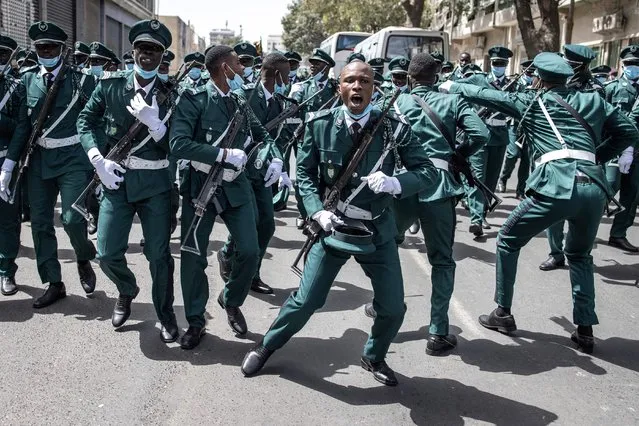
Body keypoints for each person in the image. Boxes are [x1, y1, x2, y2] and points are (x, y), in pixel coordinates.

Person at [240, 60, 438, 386]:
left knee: (392, 307)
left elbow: (428, 172)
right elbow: (304, 174)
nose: (357, 87)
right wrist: (317, 211)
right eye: (350, 81)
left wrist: (396, 183)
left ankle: (373, 356)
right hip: (333, 227)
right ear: (339, 88)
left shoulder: (393, 128)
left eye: (364, 81)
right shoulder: (320, 124)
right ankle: (266, 345)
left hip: (376, 230)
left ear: (374, 88)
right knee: (306, 301)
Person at [439, 52, 638, 354]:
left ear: (539, 79)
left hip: (556, 186)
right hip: (594, 188)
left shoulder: (533, 102)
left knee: (507, 238)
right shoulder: (596, 100)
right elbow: (629, 131)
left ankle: (502, 313)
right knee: (580, 255)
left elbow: (486, 95)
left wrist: (451, 85)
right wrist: (596, 157)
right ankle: (585, 329)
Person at [365, 53, 489, 356]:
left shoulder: (394, 102)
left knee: (385, 248)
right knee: (442, 260)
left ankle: (385, 308)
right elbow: (481, 133)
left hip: (402, 187)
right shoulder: (454, 101)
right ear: (437, 77)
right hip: (439, 187)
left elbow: (371, 132)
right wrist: (459, 154)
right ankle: (437, 331)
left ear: (408, 77)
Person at [77, 19, 178, 342]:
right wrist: (97, 159)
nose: (147, 55)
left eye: (155, 50)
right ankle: (127, 289)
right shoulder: (109, 85)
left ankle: (165, 314)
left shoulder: (174, 94)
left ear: (163, 56)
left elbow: (179, 142)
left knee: (159, 255)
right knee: (106, 252)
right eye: (142, 48)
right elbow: (85, 120)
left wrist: (158, 127)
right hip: (115, 181)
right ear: (132, 52)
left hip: (156, 185)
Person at [169, 45, 274, 350]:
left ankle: (230, 299)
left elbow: (263, 136)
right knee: (193, 257)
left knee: (251, 249)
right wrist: (222, 153)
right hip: (200, 187)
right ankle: (195, 321)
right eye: (237, 65)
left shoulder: (241, 99)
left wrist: (274, 158)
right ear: (224, 68)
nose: (243, 69)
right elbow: (178, 143)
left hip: (234, 188)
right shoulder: (194, 98)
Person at [1, 21, 98, 308]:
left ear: (62, 49)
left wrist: (97, 156)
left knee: (71, 219)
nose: (45, 51)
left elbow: (94, 119)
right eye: (41, 47)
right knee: (40, 223)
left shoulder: (81, 79)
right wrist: (9, 165)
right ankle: (53, 282)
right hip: (39, 161)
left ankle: (83, 256)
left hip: (72, 159)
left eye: (51, 47)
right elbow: (22, 127)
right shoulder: (27, 79)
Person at [217, 52, 289, 295]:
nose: (288, 79)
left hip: (264, 173)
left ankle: (253, 274)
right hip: (242, 171)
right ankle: (230, 256)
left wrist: (282, 168)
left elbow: (281, 139)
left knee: (267, 224)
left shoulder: (280, 102)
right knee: (250, 222)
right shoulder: (244, 95)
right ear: (277, 74)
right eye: (286, 74)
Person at [540, 44, 604, 271]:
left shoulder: (595, 89)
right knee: (555, 204)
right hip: (556, 151)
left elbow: (602, 124)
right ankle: (555, 253)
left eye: (571, 64)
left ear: (582, 66)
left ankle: (577, 252)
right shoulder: (557, 81)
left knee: (582, 209)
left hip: (585, 153)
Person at [456, 46, 515, 236]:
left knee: (491, 179)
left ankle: (482, 213)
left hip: (500, 136)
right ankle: (476, 219)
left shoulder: (513, 84)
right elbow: (455, 87)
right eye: (496, 63)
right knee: (477, 177)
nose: (499, 66)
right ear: (491, 63)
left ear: (506, 65)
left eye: (502, 63)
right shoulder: (479, 79)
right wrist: (469, 113)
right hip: (480, 134)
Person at [289, 48, 339, 229]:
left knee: (325, 177)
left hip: (328, 140)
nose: (312, 67)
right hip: (306, 140)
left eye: (316, 64)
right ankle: (305, 213)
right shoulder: (303, 88)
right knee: (305, 176)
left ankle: (321, 210)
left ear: (325, 67)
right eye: (311, 64)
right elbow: (292, 115)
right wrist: (298, 130)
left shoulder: (336, 89)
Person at [604, 45, 639, 252]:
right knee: (607, 187)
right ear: (622, 65)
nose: (633, 67)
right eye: (629, 64)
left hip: (638, 151)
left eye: (637, 64)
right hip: (614, 149)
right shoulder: (611, 88)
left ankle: (618, 234)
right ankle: (584, 230)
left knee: (631, 193)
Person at [0, 35, 26, 297]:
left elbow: (21, 128)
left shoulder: (16, 88)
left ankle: (7, 269)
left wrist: (9, 165)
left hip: (4, 160)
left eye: (2, 56)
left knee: (7, 220)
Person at [498, 59, 536, 199]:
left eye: (533, 72)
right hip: (515, 125)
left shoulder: (538, 83)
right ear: (523, 71)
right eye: (528, 72)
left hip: (529, 126)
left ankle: (520, 190)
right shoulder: (515, 83)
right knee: (512, 154)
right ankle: (503, 177)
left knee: (526, 159)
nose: (530, 75)